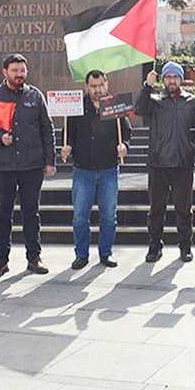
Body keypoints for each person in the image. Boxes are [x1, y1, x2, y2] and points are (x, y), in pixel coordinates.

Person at [0, 54, 56, 279]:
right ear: (5, 72)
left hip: (31, 166)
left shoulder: (35, 96)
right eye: (15, 70)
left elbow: (47, 129)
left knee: (31, 213)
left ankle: (34, 258)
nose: (20, 74)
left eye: (23, 70)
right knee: (2, 215)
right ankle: (0, 261)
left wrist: (50, 161)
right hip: (3, 167)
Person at [61, 70, 131, 270]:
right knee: (80, 216)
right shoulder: (76, 106)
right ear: (86, 86)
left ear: (106, 84)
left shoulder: (114, 105)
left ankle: (106, 253)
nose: (97, 90)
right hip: (83, 170)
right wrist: (66, 147)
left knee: (109, 215)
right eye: (93, 86)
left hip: (109, 169)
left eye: (100, 85)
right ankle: (81, 254)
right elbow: (68, 135)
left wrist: (124, 145)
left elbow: (127, 134)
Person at [138, 62, 195, 263]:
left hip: (183, 164)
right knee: (156, 209)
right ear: (163, 79)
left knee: (184, 209)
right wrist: (147, 86)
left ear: (181, 79)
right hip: (158, 164)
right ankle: (154, 246)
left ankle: (185, 246)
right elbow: (139, 109)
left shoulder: (191, 102)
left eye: (175, 77)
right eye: (168, 77)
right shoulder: (155, 101)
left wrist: (192, 150)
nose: (172, 80)